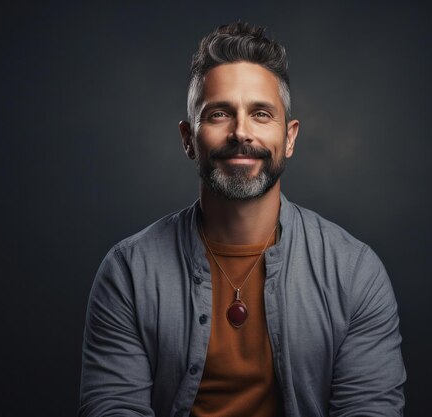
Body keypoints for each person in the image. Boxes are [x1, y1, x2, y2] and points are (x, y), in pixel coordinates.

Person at [79, 22, 406, 417]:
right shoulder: (128, 272)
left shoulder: (355, 273)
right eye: (219, 114)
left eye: (261, 114)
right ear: (188, 138)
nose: (241, 133)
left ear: (289, 137)